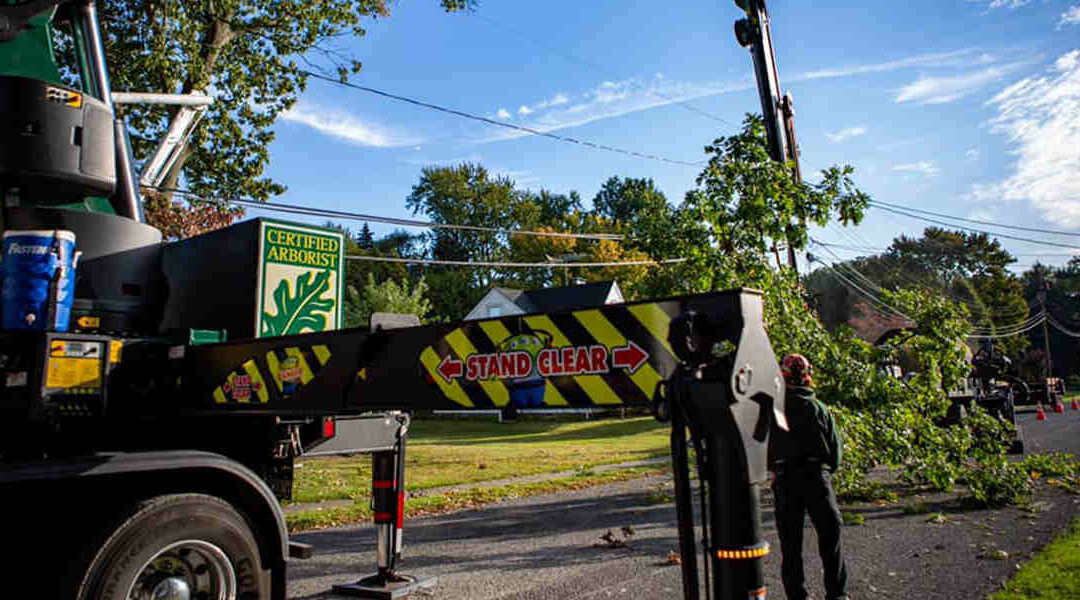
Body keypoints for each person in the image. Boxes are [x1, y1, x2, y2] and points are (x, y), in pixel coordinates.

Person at [769, 353, 850, 600]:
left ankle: (797, 595)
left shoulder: (775, 411)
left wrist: (773, 470)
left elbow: (765, 447)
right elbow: (835, 453)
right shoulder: (818, 409)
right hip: (816, 478)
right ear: (808, 377)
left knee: (790, 545)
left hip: (785, 480)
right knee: (830, 536)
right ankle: (837, 594)